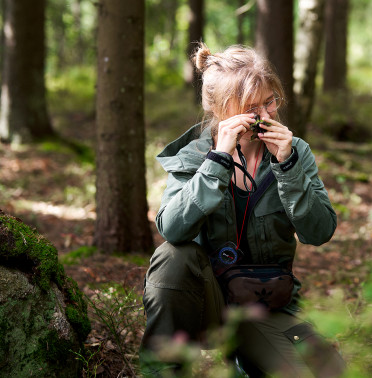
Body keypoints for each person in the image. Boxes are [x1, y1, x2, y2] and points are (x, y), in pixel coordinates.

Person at [141, 42, 345, 377]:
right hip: (208, 303)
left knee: (328, 372)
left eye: (270, 101)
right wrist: (217, 160)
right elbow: (172, 229)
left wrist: (288, 165)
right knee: (171, 258)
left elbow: (320, 232)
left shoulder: (295, 151)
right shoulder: (193, 156)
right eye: (252, 109)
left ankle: (245, 362)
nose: (266, 116)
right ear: (222, 110)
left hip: (266, 306)